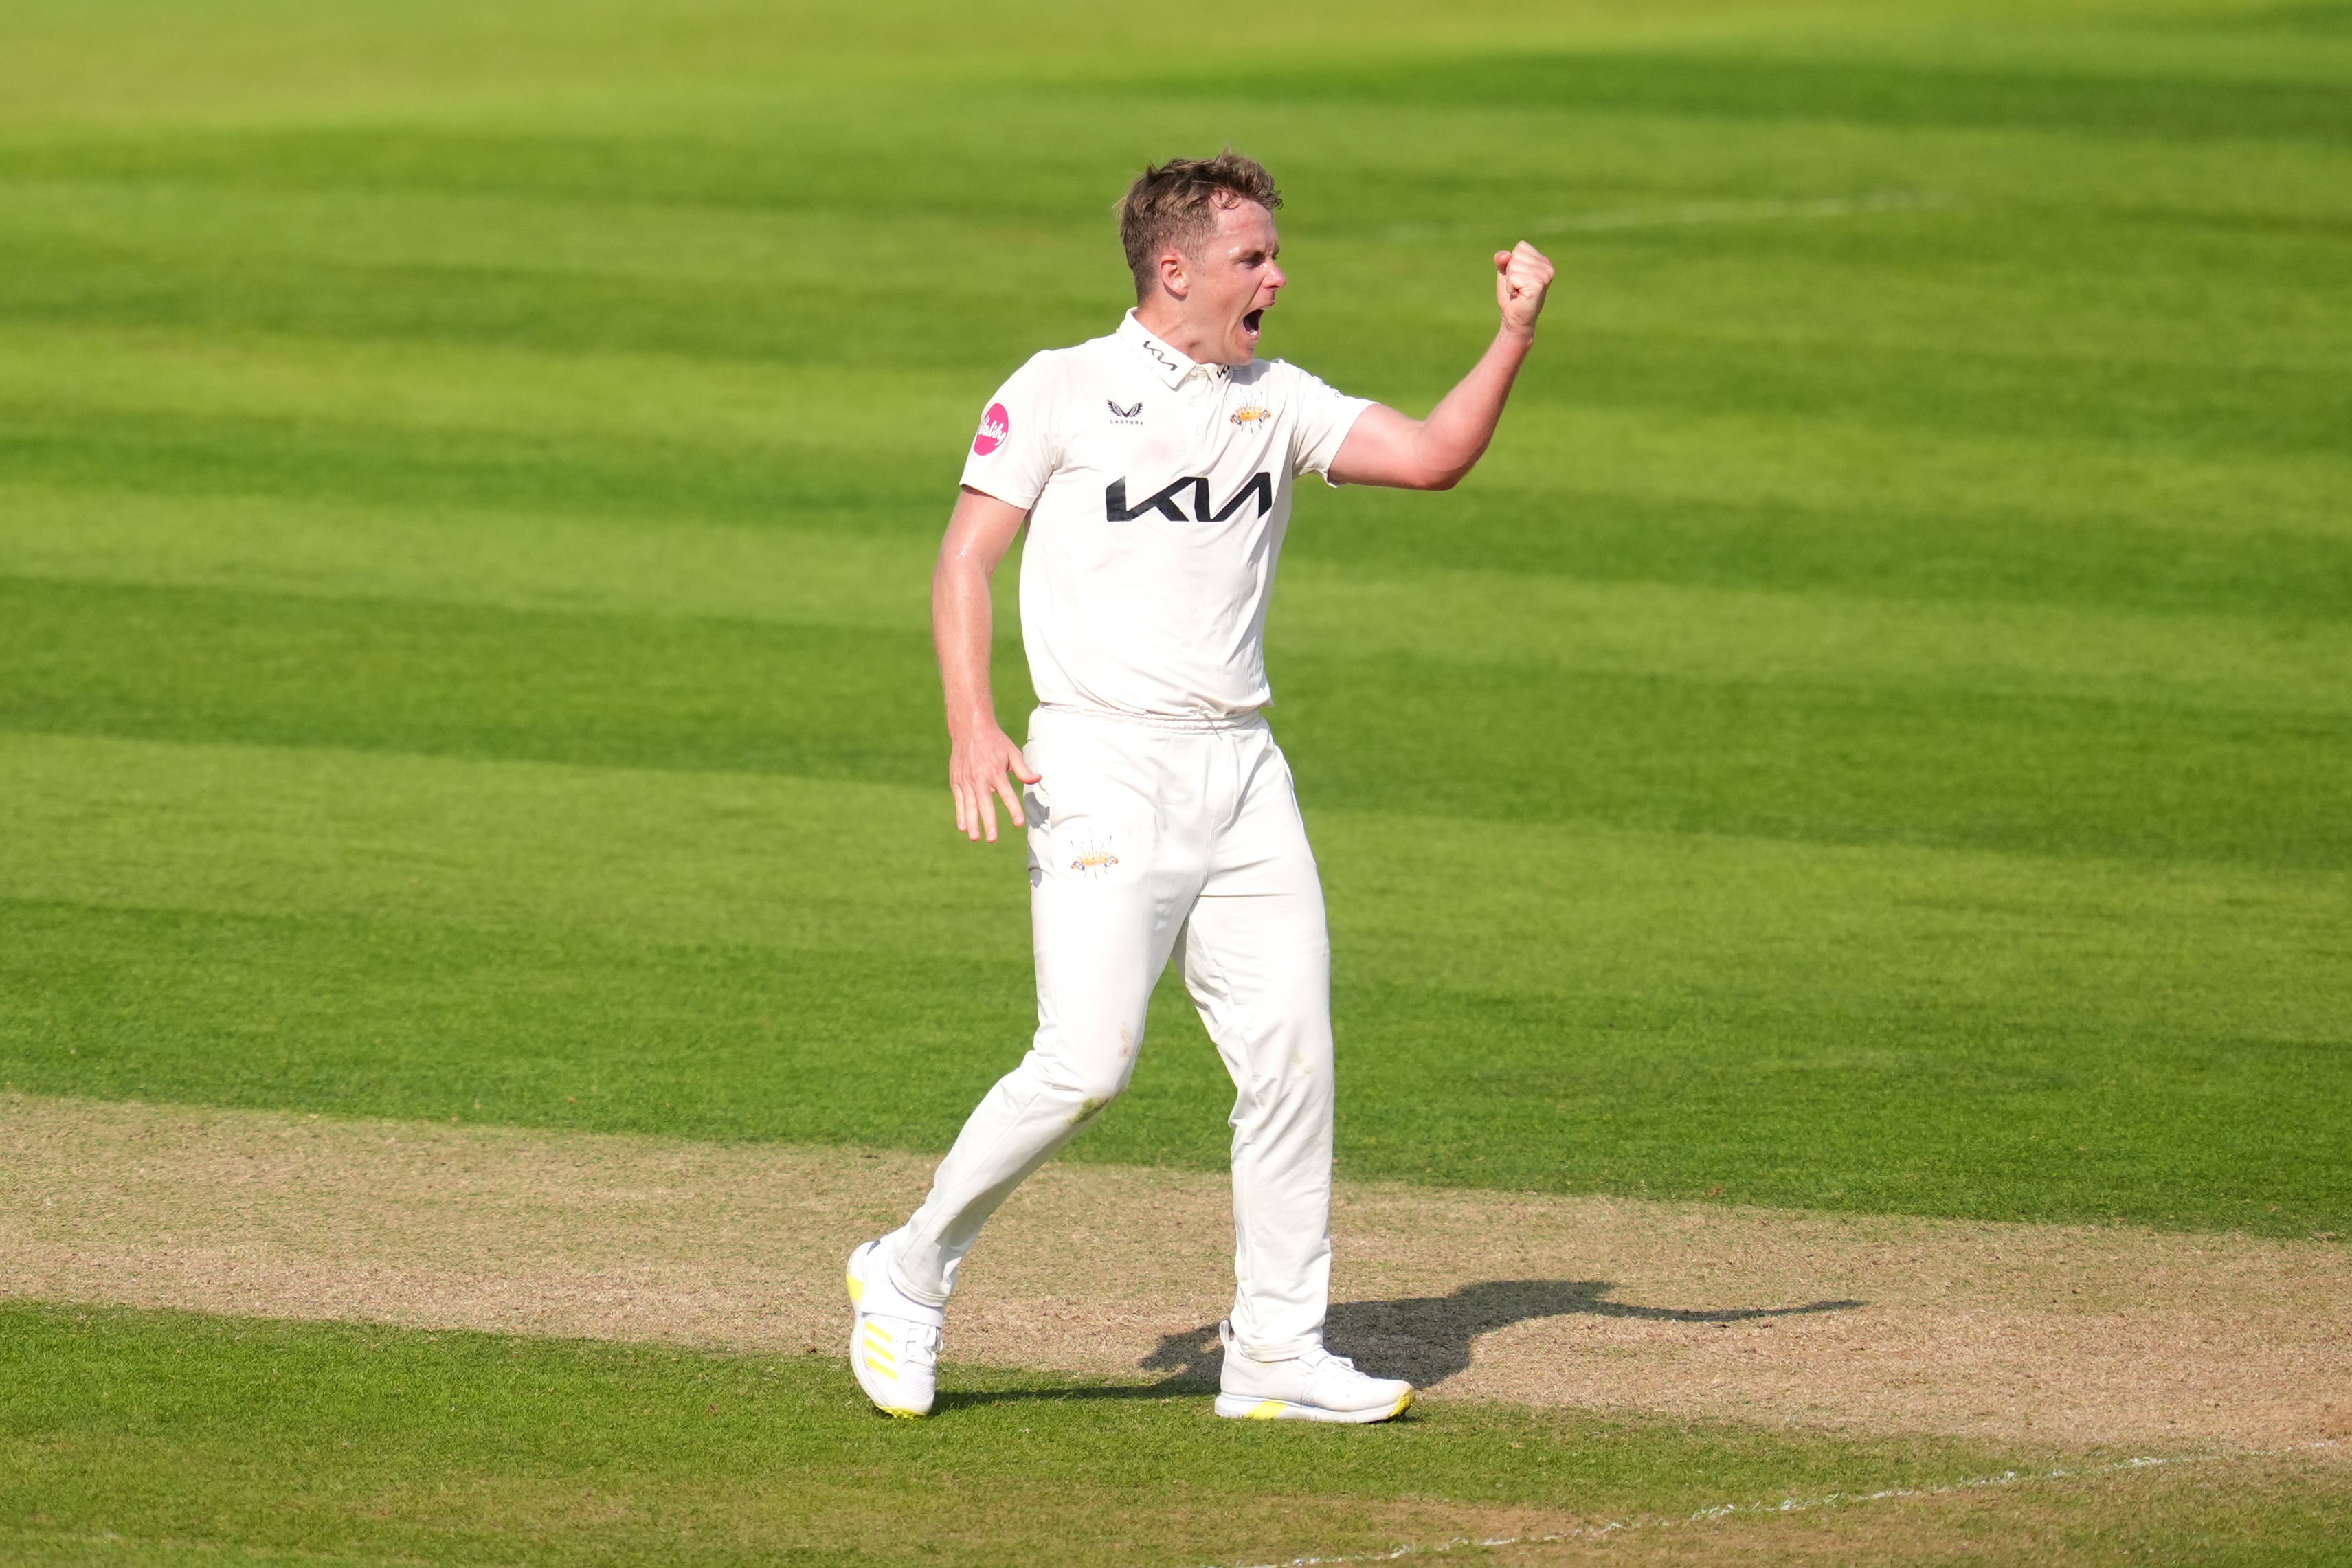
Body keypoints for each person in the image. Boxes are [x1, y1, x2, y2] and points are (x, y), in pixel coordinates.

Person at [847, 150, 1554, 1422]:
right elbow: (964, 560)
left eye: (1273, 256)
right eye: (1253, 257)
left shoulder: (1277, 398)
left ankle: (1277, 1349)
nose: (1277, 275)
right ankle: (905, 1273)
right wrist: (970, 721)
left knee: (1293, 1059)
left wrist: (1509, 336)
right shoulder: (1060, 388)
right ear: (1176, 269)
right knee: (1086, 1063)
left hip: (1242, 770)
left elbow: (1438, 456)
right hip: (1100, 762)